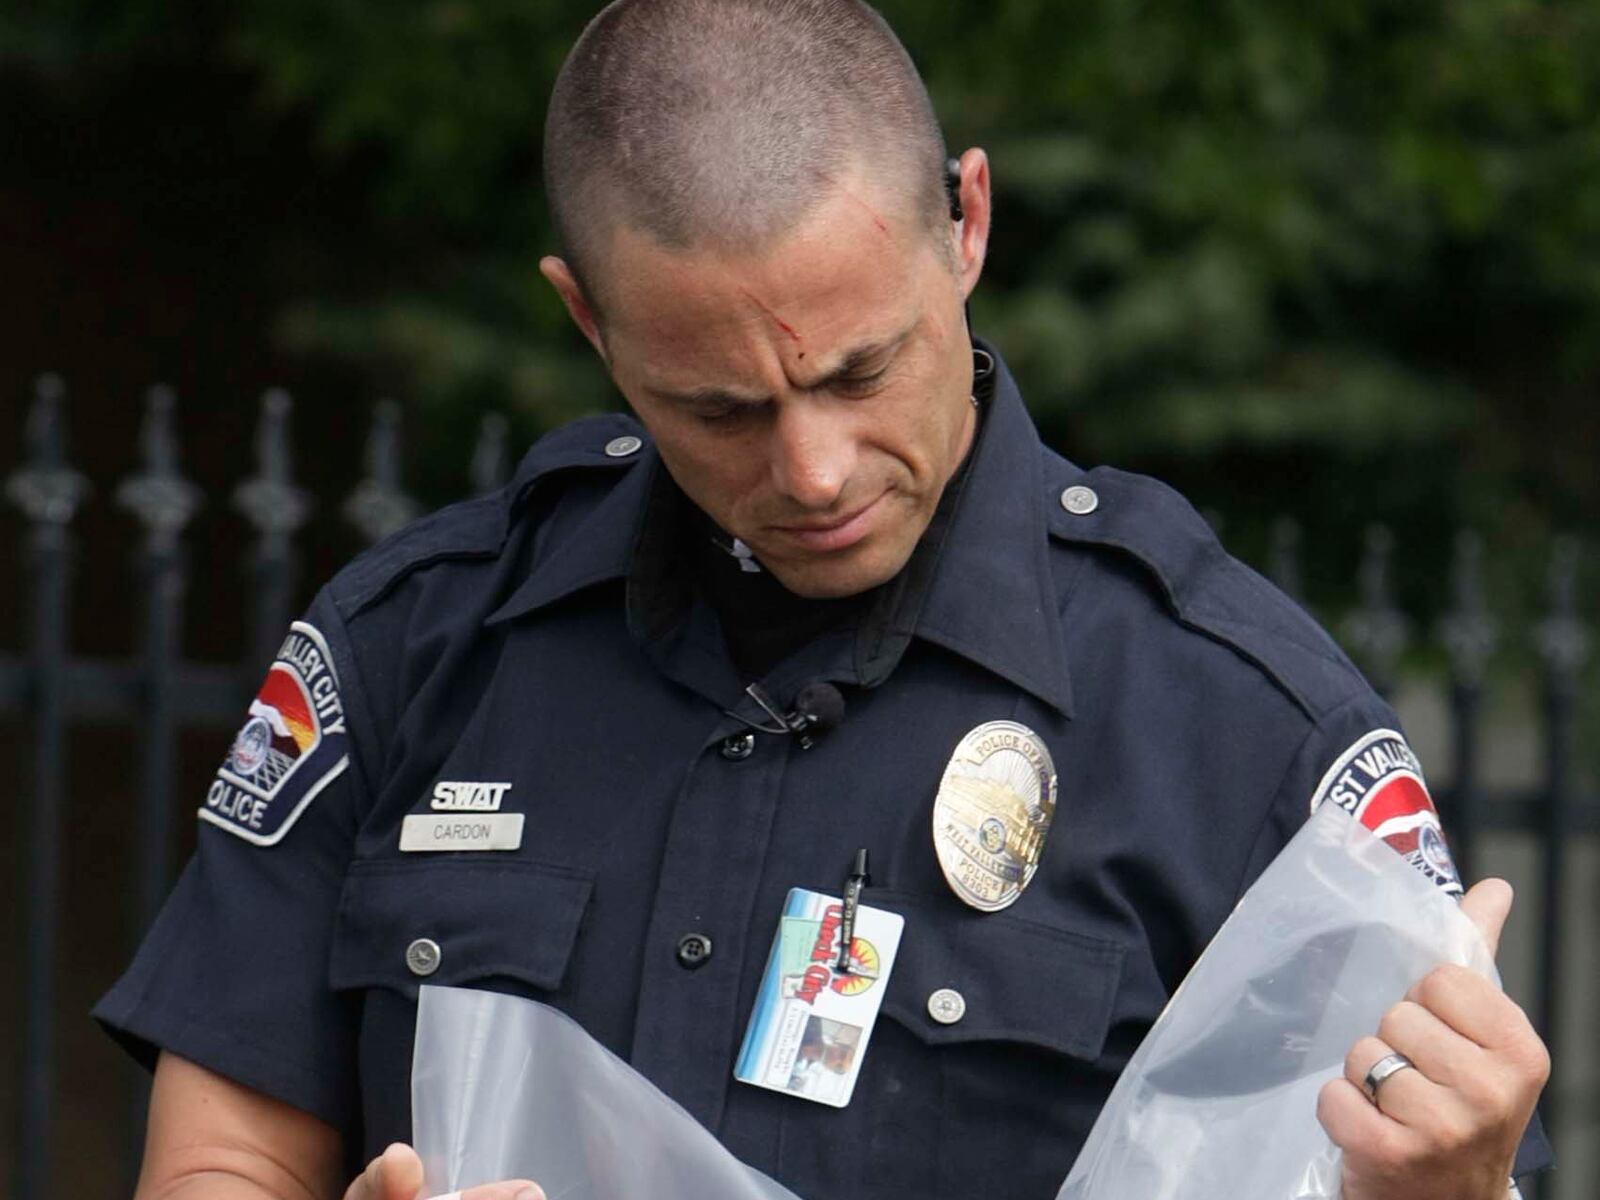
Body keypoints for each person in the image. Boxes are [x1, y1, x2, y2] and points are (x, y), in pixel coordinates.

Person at [97, 2, 1552, 1198]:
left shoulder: (1236, 727)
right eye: (719, 407)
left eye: (860, 371)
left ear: (966, 224)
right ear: (589, 323)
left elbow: (1416, 1162)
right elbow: (220, 1161)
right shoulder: (411, 653)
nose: (811, 467)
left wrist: (1454, 1188)